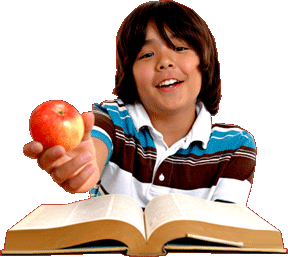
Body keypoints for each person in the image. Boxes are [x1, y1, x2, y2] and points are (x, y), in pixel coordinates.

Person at [23, 1, 256, 208]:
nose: (164, 62)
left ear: (204, 60)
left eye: (180, 48)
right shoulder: (112, 118)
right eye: (146, 54)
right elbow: (95, 147)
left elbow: (225, 232)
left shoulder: (236, 145)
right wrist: (83, 166)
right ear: (130, 74)